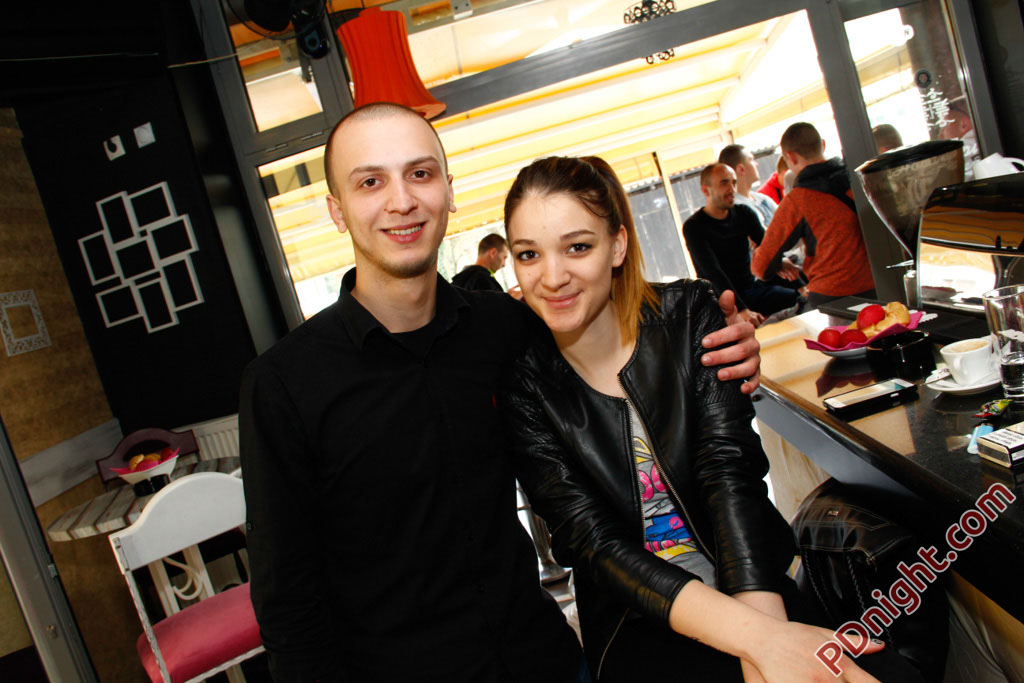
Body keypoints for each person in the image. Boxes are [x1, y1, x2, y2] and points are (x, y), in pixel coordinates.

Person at [239, 102, 764, 682]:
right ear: (337, 211)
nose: (401, 201)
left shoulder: (506, 329)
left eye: (420, 173)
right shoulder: (284, 384)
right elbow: (288, 602)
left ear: (449, 190)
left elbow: (614, 315)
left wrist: (723, 335)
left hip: (545, 661)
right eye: (370, 182)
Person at [500, 155, 924, 683]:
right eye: (529, 254)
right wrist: (763, 644)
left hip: (747, 578)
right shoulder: (522, 380)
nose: (552, 277)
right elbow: (592, 542)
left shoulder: (688, 316)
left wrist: (766, 639)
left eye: (577, 247)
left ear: (618, 245)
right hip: (640, 618)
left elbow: (729, 475)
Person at [751, 122, 876, 309]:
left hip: (832, 297)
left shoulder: (798, 200)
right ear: (823, 145)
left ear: (790, 157)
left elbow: (761, 267)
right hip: (878, 286)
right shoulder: (859, 181)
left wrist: (778, 263)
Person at [683, 163, 802, 325]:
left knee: (802, 290)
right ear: (705, 190)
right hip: (722, 299)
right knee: (791, 298)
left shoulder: (744, 213)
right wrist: (740, 310)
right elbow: (712, 272)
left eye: (734, 182)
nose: (732, 189)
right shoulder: (694, 227)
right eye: (724, 183)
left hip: (752, 288)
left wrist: (799, 283)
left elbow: (768, 248)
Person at [718, 143, 777, 228]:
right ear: (741, 169)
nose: (756, 164)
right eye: (751, 160)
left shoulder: (762, 198)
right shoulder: (736, 209)